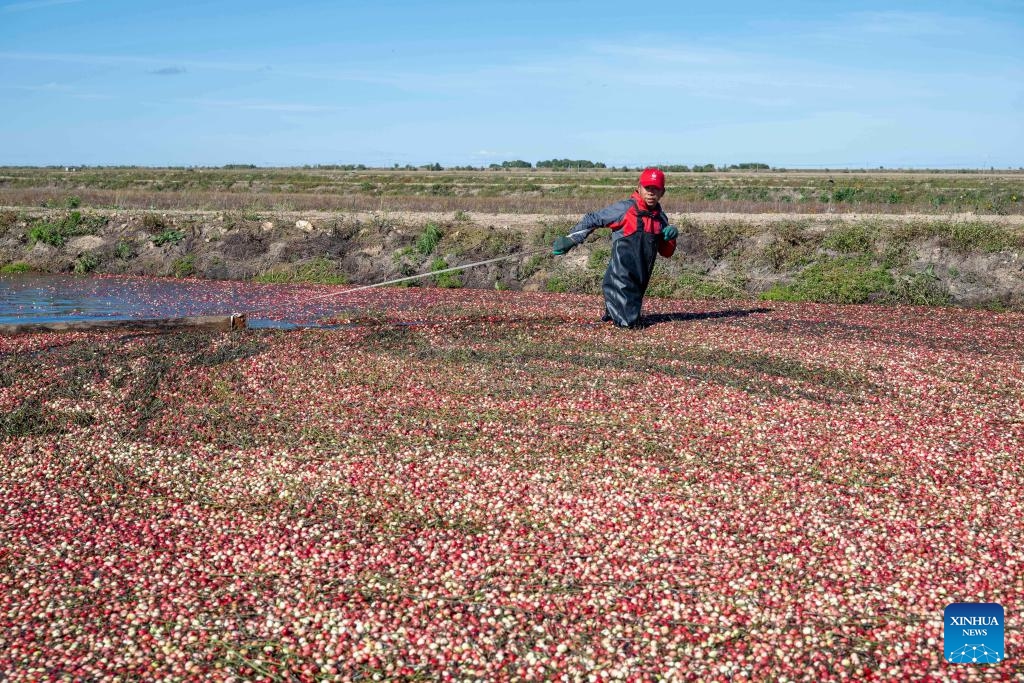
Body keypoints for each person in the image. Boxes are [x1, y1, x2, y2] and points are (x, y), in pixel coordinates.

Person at [552, 167, 678, 328]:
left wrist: (670, 238)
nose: (651, 193)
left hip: (639, 284)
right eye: (648, 188)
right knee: (629, 326)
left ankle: (613, 319)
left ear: (663, 192)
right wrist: (571, 239)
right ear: (639, 188)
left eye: (656, 189)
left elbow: (666, 252)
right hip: (619, 280)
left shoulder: (660, 219)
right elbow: (594, 219)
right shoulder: (625, 209)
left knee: (624, 324)